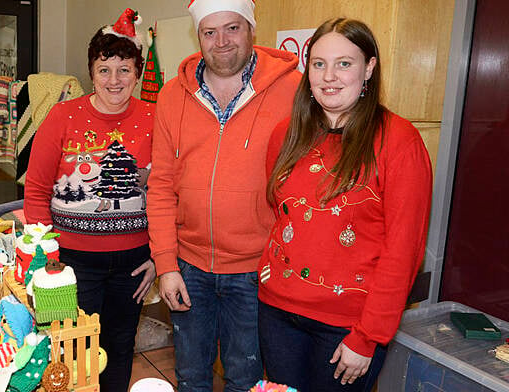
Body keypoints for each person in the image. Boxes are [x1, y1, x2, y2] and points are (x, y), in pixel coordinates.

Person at [258, 18, 433, 392]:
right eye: (319, 63)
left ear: (369, 67)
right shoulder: (286, 135)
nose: (329, 76)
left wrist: (368, 336)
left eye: (344, 63)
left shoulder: (399, 141)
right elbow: (281, 214)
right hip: (277, 314)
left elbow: (403, 250)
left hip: (348, 327)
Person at [147, 0, 301, 390]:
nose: (221, 42)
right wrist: (166, 264)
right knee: (191, 377)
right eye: (209, 32)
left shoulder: (294, 91)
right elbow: (162, 185)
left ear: (251, 29)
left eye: (232, 28)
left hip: (257, 269)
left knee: (246, 378)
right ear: (197, 36)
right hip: (190, 266)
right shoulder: (171, 96)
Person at [24, 8, 156, 392]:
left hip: (134, 262)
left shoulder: (156, 117)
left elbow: (169, 191)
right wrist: (46, 259)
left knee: (119, 344)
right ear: (91, 73)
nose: (114, 80)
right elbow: (35, 190)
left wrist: (159, 256)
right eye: (104, 69)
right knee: (73, 350)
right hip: (72, 261)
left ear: (138, 72)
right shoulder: (63, 116)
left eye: (124, 69)